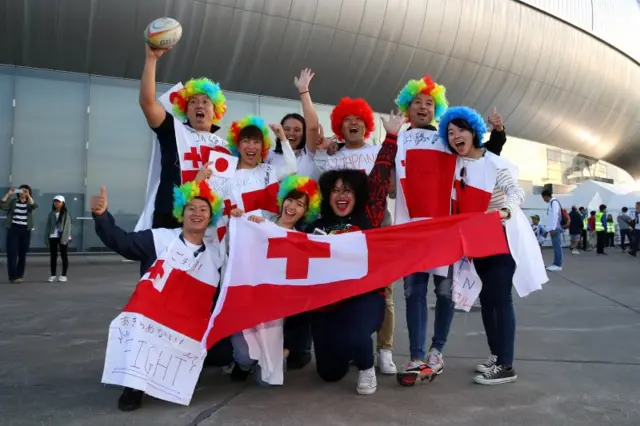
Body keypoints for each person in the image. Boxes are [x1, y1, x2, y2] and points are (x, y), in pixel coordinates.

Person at [391, 76, 508, 386]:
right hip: (410, 232)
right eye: (417, 102)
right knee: (413, 292)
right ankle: (416, 355)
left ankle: (436, 351)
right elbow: (380, 174)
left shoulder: (446, 138)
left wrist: (497, 133)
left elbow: (482, 155)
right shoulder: (397, 138)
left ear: (436, 109)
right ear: (407, 107)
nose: (423, 107)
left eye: (429, 103)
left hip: (445, 232)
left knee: (445, 293)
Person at [91, 180, 226, 411]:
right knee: (141, 326)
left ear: (210, 217)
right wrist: (103, 217)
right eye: (191, 208)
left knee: (225, 353)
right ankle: (133, 386)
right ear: (180, 213)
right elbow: (122, 241)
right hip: (152, 314)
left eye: (204, 210)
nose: (197, 213)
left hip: (188, 320)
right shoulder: (159, 238)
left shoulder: (216, 254)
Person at [438, 106, 546, 385]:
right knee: (486, 300)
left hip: (502, 237)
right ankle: (497, 356)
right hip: (476, 241)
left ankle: (506, 365)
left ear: (473, 132)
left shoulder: (494, 162)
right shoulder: (456, 166)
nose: (455, 136)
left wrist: (506, 211)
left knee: (500, 298)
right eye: (450, 132)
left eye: (460, 130)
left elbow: (516, 191)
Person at [304, 111, 402, 395]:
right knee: (329, 374)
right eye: (335, 191)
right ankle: (347, 349)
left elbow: (381, 177)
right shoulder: (317, 225)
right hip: (327, 302)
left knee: (355, 328)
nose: (341, 195)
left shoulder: (368, 216)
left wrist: (392, 137)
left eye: (347, 190)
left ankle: (367, 366)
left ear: (357, 196)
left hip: (364, 297)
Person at [229, 174, 322, 378]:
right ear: (282, 200)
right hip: (250, 302)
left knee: (266, 381)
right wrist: (240, 220)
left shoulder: (302, 240)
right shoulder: (259, 217)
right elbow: (234, 248)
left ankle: (283, 354)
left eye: (300, 204)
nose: (292, 207)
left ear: (306, 211)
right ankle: (243, 362)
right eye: (290, 200)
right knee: (245, 359)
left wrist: (286, 348)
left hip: (277, 314)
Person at [136, 44, 230, 230]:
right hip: (168, 220)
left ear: (216, 110)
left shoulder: (226, 148)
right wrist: (151, 60)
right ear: (185, 110)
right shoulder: (174, 132)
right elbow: (147, 104)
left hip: (208, 224)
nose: (199, 106)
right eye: (193, 102)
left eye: (205, 102)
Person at [266, 69, 321, 181]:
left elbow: (312, 128)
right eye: (286, 129)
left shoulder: (308, 154)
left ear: (303, 133)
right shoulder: (269, 155)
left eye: (297, 130)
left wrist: (303, 90)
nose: (291, 133)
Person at [1, 185, 38, 283]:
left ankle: (19, 275)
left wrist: (28, 196)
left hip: (25, 230)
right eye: (21, 190)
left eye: (25, 191)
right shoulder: (14, 202)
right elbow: (2, 205)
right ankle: (13, 277)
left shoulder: (29, 203)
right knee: (12, 253)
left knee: (22, 254)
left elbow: (34, 206)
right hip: (13, 229)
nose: (22, 192)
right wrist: (8, 194)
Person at [44, 195, 72, 282]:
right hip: (53, 236)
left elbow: (68, 227)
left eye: (58, 201)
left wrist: (65, 237)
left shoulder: (66, 214)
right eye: (55, 201)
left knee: (64, 256)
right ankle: (53, 275)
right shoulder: (51, 214)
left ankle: (64, 275)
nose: (56, 203)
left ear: (63, 203)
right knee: (53, 257)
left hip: (62, 237)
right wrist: (46, 238)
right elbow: (47, 227)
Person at [541, 189, 563, 270]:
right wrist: (547, 230)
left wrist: (553, 228)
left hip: (555, 229)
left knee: (557, 246)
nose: (544, 200)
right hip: (553, 228)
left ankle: (558, 265)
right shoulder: (552, 203)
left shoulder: (554, 203)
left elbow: (555, 216)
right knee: (556, 246)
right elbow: (550, 218)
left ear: (546, 196)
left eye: (543, 198)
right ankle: (556, 263)